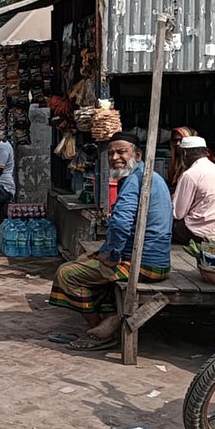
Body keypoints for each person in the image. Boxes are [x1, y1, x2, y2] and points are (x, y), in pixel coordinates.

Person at [48, 132, 172, 350]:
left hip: (144, 264)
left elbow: (121, 223)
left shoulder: (136, 180)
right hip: (154, 259)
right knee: (87, 259)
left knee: (67, 274)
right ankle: (107, 320)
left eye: (122, 152)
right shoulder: (149, 176)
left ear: (138, 154)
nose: (116, 157)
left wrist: (112, 254)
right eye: (112, 152)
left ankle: (100, 331)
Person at [171, 135, 215, 244]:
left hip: (201, 233)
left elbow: (178, 213)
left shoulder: (190, 175)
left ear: (184, 154)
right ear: (205, 152)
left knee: (164, 224)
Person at [166, 126, 199, 193]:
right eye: (175, 141)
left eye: (181, 140)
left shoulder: (194, 161)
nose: (177, 144)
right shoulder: (174, 161)